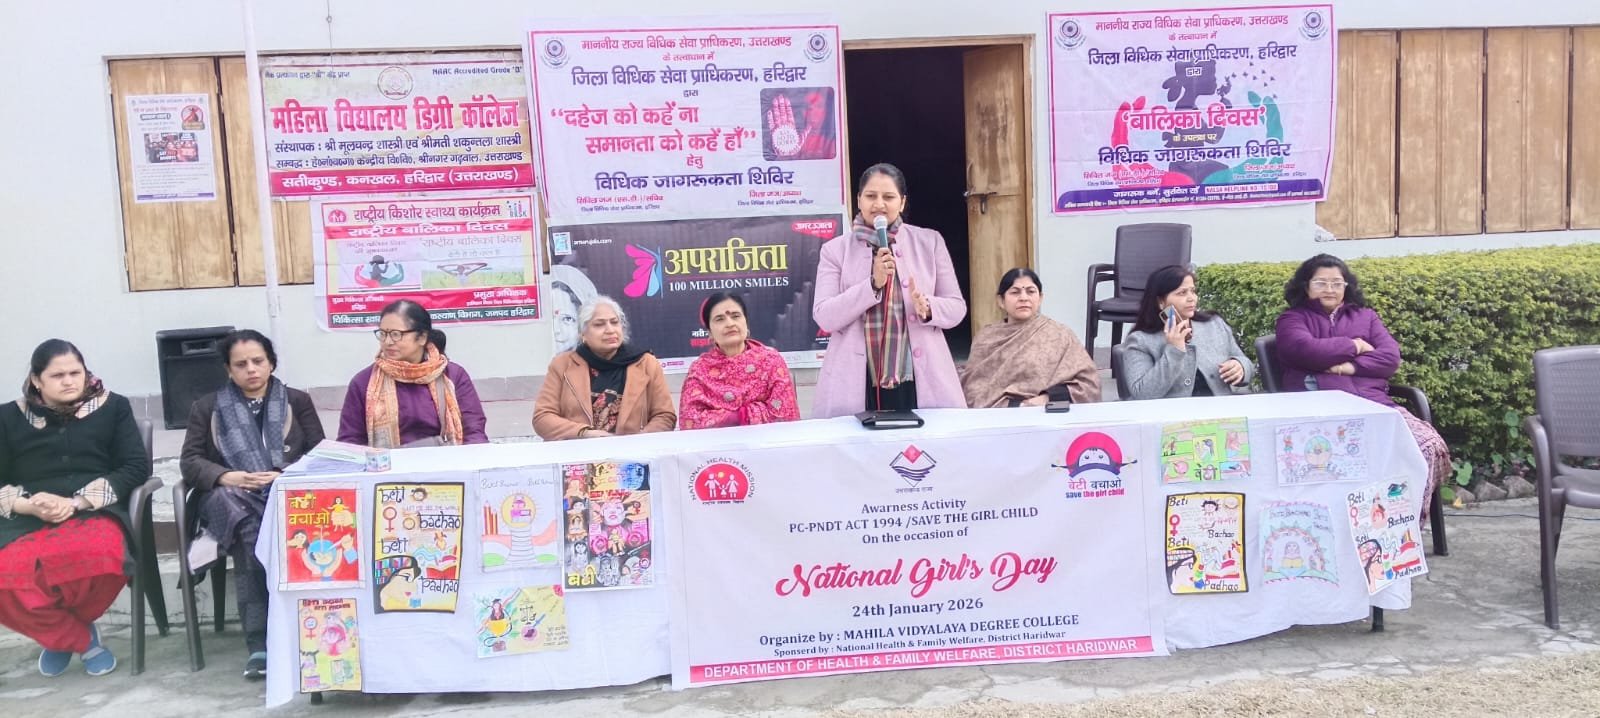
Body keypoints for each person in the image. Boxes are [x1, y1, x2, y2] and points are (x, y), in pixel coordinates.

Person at [0, 340, 150, 677]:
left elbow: (135, 467)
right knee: (6, 575)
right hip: (27, 516)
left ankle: (59, 636)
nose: (69, 381)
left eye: (75, 373)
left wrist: (76, 502)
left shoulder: (113, 407)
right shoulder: (8, 417)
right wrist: (29, 505)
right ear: (36, 380)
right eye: (58, 375)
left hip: (91, 510)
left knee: (102, 556)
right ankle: (81, 640)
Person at [179, 330, 324, 678]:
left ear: (271, 363)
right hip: (227, 495)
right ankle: (260, 641)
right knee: (249, 527)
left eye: (258, 361)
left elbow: (319, 453)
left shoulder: (297, 401)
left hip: (285, 491)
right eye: (241, 364)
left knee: (278, 525)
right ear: (228, 370)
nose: (251, 370)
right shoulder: (208, 407)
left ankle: (300, 629)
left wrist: (284, 474)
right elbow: (190, 461)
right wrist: (227, 476)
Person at [1275, 253, 1450, 519]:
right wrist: (1355, 345)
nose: (1330, 289)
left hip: (1375, 405)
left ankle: (1404, 524)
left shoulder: (1366, 317)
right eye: (1321, 283)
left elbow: (1390, 358)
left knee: (1428, 445)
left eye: (1337, 283)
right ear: (1306, 286)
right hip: (1321, 413)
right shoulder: (1292, 319)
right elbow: (1304, 349)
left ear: (1347, 286)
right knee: (1337, 459)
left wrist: (1348, 367)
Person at [812, 163, 967, 417]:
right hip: (856, 379)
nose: (879, 204)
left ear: (902, 202)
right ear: (858, 200)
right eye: (871, 196)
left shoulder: (930, 242)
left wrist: (928, 307)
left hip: (919, 376)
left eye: (889, 197)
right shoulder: (835, 251)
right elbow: (825, 316)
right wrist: (872, 284)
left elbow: (956, 308)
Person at [338, 300, 487, 448]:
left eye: (396, 334)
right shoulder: (364, 382)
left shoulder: (452, 375)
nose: (388, 342)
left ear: (422, 337)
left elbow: (474, 432)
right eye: (383, 334)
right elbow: (350, 442)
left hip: (445, 460)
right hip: (386, 462)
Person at [534, 297, 675, 439]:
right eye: (599, 324)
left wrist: (636, 441)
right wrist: (584, 433)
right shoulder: (562, 365)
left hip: (633, 451)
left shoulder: (646, 363)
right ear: (583, 333)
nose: (610, 330)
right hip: (579, 449)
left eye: (614, 322)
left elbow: (664, 416)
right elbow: (543, 417)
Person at [960, 268, 1100, 407]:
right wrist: (1018, 406)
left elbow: (1089, 385)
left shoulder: (1060, 334)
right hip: (1001, 414)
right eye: (1015, 292)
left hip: (1050, 411)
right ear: (1001, 300)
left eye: (1031, 291)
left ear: (1040, 298)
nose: (1024, 298)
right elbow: (973, 389)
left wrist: (1046, 398)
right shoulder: (986, 338)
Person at [1119, 264, 1255, 399]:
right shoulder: (1140, 340)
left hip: (1219, 409)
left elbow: (1246, 363)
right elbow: (1142, 393)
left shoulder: (1214, 324)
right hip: (1170, 411)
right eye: (1182, 293)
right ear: (1160, 301)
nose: (1191, 298)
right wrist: (1174, 350)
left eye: (1193, 291)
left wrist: (1240, 367)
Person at [679, 292, 801, 429]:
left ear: (746, 323)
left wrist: (737, 416)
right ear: (710, 332)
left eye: (736, 316)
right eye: (719, 319)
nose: (730, 323)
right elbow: (690, 420)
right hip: (717, 442)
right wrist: (739, 416)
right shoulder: (699, 370)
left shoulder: (770, 361)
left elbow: (785, 415)